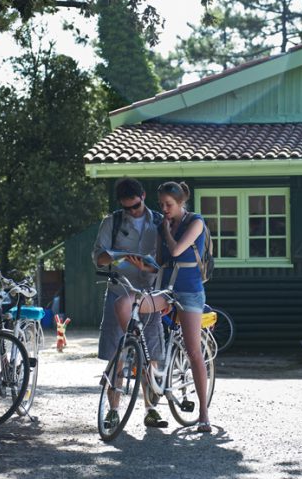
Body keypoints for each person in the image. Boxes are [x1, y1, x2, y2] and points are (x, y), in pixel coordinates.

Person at [115, 180, 211, 433]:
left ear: (181, 203)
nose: (164, 209)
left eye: (169, 204)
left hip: (190, 292)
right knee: (126, 303)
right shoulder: (162, 227)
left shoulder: (196, 222)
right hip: (166, 290)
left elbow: (178, 251)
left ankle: (203, 414)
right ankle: (136, 350)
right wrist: (141, 265)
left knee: (193, 351)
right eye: (161, 205)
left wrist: (166, 230)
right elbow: (160, 262)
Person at [92, 177, 168, 429]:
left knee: (151, 354)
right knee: (117, 355)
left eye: (135, 206)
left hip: (149, 293)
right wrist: (118, 255)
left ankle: (151, 409)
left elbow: (168, 259)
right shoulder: (111, 222)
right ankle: (114, 409)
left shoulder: (159, 222)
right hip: (119, 292)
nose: (131, 212)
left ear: (143, 196)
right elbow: (98, 258)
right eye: (126, 208)